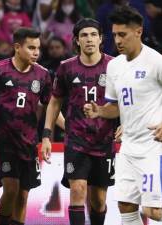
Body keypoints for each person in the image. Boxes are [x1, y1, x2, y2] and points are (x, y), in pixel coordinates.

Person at [83, 5, 162, 225]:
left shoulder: (157, 62)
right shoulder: (114, 67)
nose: (117, 40)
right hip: (128, 147)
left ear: (138, 32)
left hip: (154, 148)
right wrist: (99, 110)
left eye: (123, 34)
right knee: (126, 207)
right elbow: (117, 106)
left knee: (152, 211)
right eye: (114, 35)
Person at [0, 27, 63, 225]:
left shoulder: (43, 75)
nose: (36, 52)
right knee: (11, 189)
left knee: (23, 195)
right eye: (31, 48)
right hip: (4, 142)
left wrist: (70, 130)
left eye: (38, 48)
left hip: (29, 143)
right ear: (17, 47)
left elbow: (52, 108)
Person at [41, 18, 117, 225]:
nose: (89, 39)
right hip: (76, 140)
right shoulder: (66, 67)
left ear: (101, 39)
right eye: (84, 35)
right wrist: (47, 136)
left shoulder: (114, 66)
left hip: (104, 140)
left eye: (93, 34)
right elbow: (55, 101)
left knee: (99, 199)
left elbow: (126, 101)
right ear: (76, 41)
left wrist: (125, 126)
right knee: (77, 189)